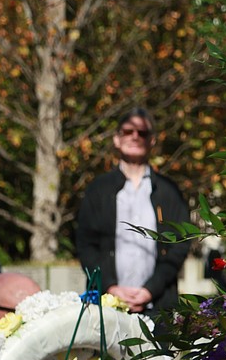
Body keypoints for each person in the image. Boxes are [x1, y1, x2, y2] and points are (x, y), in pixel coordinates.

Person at [75, 107, 189, 315]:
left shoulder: (168, 191)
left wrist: (150, 290)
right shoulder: (98, 189)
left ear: (152, 140)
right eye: (128, 131)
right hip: (107, 306)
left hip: (157, 306)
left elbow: (179, 245)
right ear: (117, 139)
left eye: (142, 133)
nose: (135, 137)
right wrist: (110, 287)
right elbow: (86, 245)